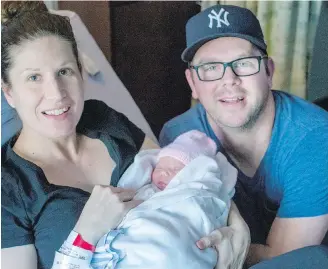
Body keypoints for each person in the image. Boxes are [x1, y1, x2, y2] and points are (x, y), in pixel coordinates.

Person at [1, 2, 250, 269]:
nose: (56, 93)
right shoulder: (9, 185)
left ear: (81, 74)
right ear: (9, 93)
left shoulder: (103, 119)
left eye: (64, 71)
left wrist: (238, 226)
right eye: (34, 78)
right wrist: (86, 234)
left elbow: (180, 175)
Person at [159, 4, 328, 268]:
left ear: (269, 72)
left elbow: (284, 259)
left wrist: (201, 249)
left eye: (243, 63)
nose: (229, 79)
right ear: (192, 83)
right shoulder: (178, 136)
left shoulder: (316, 139)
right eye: (211, 68)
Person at [87, 130, 237, 269]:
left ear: (193, 174)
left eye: (175, 170)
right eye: (159, 168)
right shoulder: (145, 189)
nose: (164, 173)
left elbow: (200, 215)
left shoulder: (193, 193)